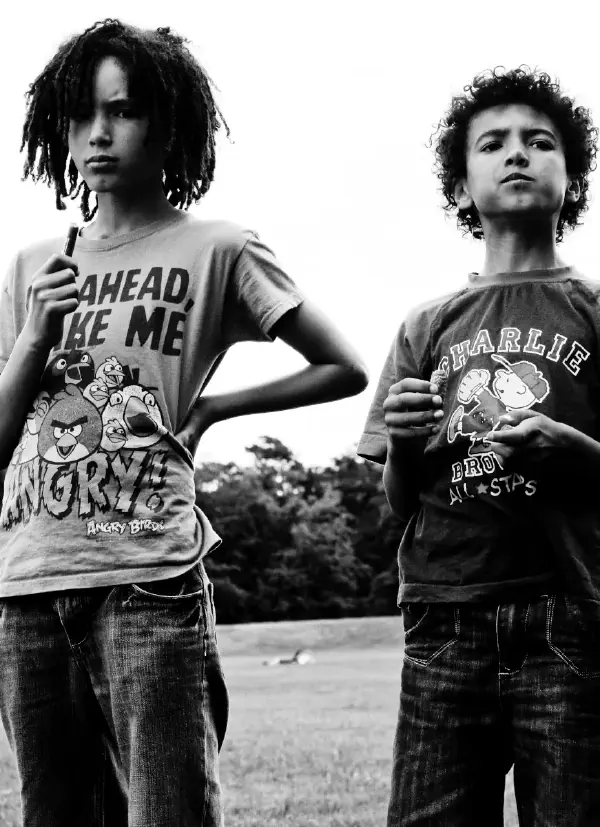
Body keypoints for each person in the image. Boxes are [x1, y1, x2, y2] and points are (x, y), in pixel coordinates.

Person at [0, 19, 368, 827]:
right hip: (29, 586)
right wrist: (32, 338)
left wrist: (214, 408)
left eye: (123, 110)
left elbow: (343, 364)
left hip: (148, 579)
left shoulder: (219, 248)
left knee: (170, 812)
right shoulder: (33, 265)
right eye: (81, 115)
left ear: (169, 125)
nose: (99, 133)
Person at [358, 67, 600, 826]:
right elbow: (398, 504)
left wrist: (573, 448)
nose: (517, 153)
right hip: (444, 620)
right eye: (492, 144)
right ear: (462, 189)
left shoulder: (593, 309)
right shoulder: (425, 324)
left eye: (540, 142)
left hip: (572, 619)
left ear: (571, 178)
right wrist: (404, 445)